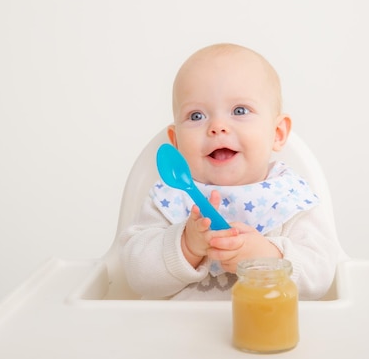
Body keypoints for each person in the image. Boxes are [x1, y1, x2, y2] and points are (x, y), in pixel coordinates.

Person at [119, 43, 347, 300]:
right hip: (177, 335)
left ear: (278, 133)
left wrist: (267, 257)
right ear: (176, 142)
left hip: (267, 336)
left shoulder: (289, 197)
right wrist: (186, 246)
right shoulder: (170, 197)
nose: (217, 126)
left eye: (240, 111)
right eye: (196, 116)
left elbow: (320, 278)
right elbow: (136, 277)